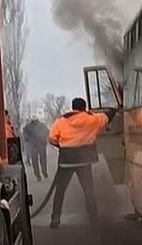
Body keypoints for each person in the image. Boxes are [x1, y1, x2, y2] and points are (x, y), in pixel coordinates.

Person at [48, 97, 116, 228]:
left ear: (73, 107)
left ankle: (55, 218)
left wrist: (62, 146)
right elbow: (106, 118)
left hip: (66, 161)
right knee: (88, 190)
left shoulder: (61, 121)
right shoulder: (91, 119)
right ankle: (93, 218)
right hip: (84, 161)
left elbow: (51, 138)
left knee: (60, 190)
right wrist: (114, 109)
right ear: (84, 108)